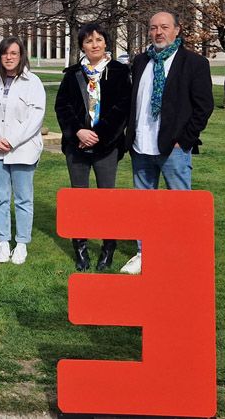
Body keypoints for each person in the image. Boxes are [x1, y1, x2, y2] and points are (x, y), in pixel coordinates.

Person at [123, 10, 214, 275]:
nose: (158, 32)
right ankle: (144, 253)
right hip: (141, 146)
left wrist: (183, 141)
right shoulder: (141, 61)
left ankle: (181, 255)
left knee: (179, 206)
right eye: (153, 28)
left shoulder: (194, 63)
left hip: (173, 149)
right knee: (143, 205)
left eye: (164, 27)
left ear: (177, 30)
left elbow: (203, 107)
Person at [54, 23, 132, 271]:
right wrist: (78, 131)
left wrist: (98, 135)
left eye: (99, 40)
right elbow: (62, 107)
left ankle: (108, 247)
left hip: (106, 145)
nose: (94, 45)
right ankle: (80, 248)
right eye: (89, 41)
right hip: (77, 145)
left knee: (106, 198)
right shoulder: (73, 73)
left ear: (106, 43)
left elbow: (122, 108)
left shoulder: (119, 72)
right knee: (80, 198)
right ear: (82, 46)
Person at [0, 36, 45, 265]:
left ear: (21, 55)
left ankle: (21, 243)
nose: (9, 57)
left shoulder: (32, 82)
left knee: (24, 199)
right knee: (0, 198)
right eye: (5, 53)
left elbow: (36, 117)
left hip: (23, 149)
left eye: (14, 53)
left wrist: (13, 140)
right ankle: (3, 242)